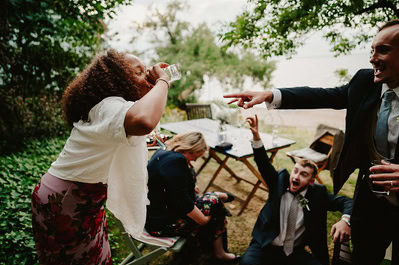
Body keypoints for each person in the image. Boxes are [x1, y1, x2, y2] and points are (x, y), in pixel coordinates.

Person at [224, 19, 399, 265]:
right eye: (371, 50)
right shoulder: (365, 82)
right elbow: (325, 95)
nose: (372, 59)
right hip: (371, 201)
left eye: (383, 50)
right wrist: (271, 95)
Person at [31, 50, 171, 264]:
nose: (147, 77)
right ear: (118, 80)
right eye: (138, 73)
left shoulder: (111, 108)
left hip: (78, 196)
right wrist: (163, 81)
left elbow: (143, 123)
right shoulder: (109, 106)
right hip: (66, 198)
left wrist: (154, 85)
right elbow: (144, 121)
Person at [239, 115, 352, 265]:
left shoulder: (318, 195)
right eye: (296, 171)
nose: (297, 176)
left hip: (294, 251)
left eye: (303, 174)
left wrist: (345, 221)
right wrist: (256, 137)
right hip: (265, 246)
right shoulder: (278, 182)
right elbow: (263, 163)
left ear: (311, 181)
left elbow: (347, 202)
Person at [145, 132, 239, 262]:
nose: (194, 161)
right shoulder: (176, 163)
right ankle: (219, 253)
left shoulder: (165, 152)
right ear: (190, 150)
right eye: (194, 157)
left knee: (213, 203)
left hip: (156, 212)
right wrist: (204, 220)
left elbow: (171, 188)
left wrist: (189, 186)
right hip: (162, 224)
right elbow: (184, 205)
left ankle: (212, 250)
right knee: (215, 203)